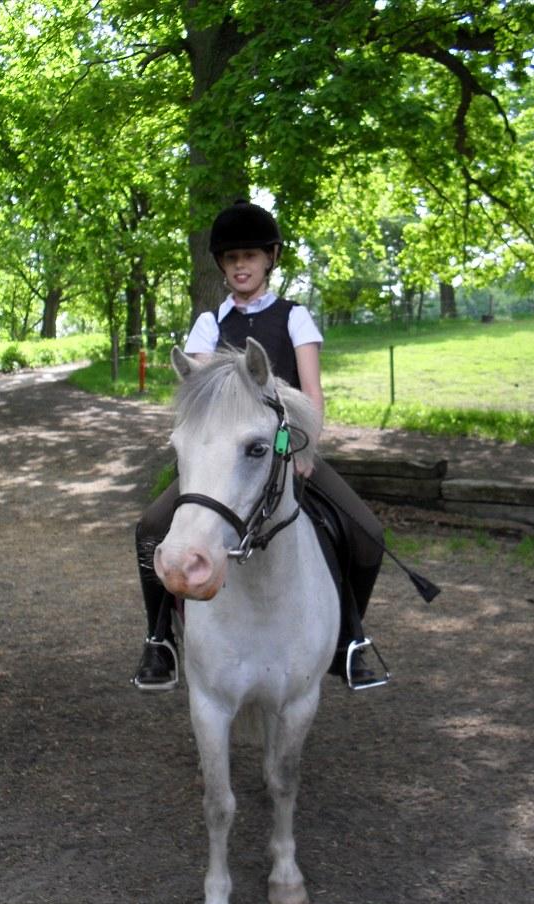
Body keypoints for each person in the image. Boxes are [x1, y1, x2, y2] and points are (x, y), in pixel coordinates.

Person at [133, 199, 386, 692]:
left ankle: (348, 641)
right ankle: (159, 639)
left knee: (368, 533)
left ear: (270, 258)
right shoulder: (209, 324)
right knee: (150, 529)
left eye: (249, 255)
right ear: (221, 265)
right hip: (226, 461)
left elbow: (311, 394)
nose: (240, 266)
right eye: (231, 258)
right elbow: (202, 396)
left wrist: (303, 451)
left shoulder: (295, 318)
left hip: (288, 452)